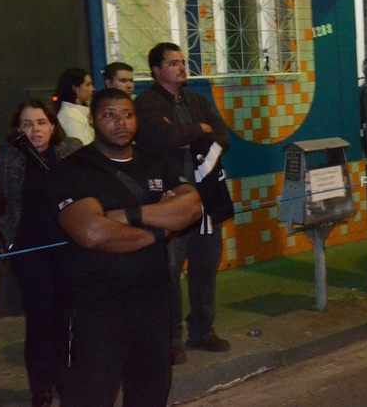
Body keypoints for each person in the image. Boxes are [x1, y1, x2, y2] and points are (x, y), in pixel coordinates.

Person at [46, 88, 202, 406]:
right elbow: (92, 232)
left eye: (127, 115)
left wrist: (128, 216)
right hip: (97, 310)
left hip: (153, 305)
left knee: (151, 394)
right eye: (109, 115)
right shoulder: (74, 170)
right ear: (92, 120)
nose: (120, 123)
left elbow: (192, 208)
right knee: (90, 397)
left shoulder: (156, 162)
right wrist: (160, 228)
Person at [134, 42, 233, 365]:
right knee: (169, 272)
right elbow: (163, 137)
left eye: (182, 62)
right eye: (173, 63)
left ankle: (202, 330)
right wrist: (198, 131)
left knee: (206, 266)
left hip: (206, 199)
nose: (181, 67)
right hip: (169, 202)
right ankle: (170, 338)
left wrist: (191, 135)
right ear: (156, 70)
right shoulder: (146, 103)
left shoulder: (197, 100)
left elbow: (223, 136)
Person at [0, 99, 81, 407]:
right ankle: (41, 387)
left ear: (53, 125)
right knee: (40, 315)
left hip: (68, 245)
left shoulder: (70, 150)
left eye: (41, 122)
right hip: (30, 247)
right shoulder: (8, 157)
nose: (35, 130)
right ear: (17, 129)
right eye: (27, 124)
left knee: (68, 316)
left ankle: (67, 379)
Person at [55, 68, 95, 145]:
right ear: (75, 88)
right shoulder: (69, 116)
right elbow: (80, 147)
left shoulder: (79, 113)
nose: (92, 89)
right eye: (88, 85)